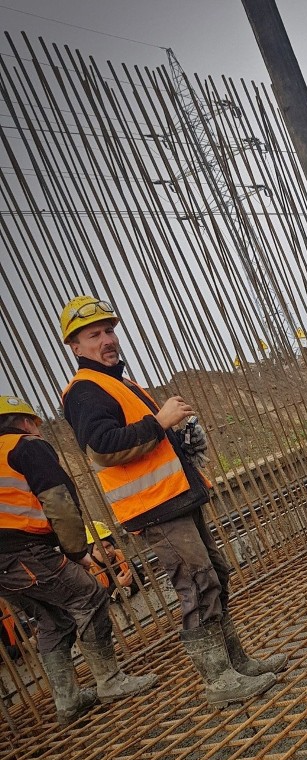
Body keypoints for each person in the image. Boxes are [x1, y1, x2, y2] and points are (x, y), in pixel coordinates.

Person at [59, 296, 285, 706]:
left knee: (214, 573)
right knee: (197, 583)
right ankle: (218, 680)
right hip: (155, 507)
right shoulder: (85, 391)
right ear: (75, 348)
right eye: (94, 335)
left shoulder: (120, 383)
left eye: (109, 331)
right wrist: (159, 421)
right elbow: (102, 446)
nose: (107, 340)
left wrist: (175, 435)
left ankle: (237, 663)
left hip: (176, 497)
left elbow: (148, 441)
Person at [0, 394, 156, 724]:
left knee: (53, 619)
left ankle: (68, 702)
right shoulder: (26, 446)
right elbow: (60, 502)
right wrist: (77, 553)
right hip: (23, 553)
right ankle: (110, 681)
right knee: (90, 595)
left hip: (7, 565)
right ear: (27, 422)